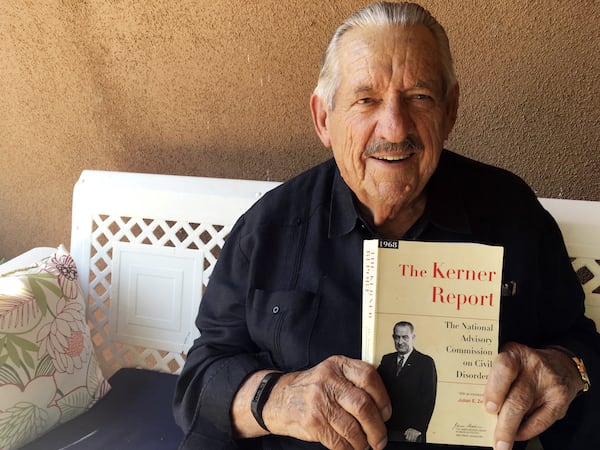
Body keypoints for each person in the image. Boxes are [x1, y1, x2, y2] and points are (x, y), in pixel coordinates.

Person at [174, 2, 599, 450]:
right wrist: (278, 398)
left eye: (419, 97)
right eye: (366, 99)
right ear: (324, 119)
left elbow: (579, 344)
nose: (395, 129)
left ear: (450, 110)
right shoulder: (270, 228)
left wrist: (566, 370)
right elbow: (201, 378)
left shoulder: (513, 214)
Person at [378, 322, 437, 443]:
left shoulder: (425, 362)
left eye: (405, 337)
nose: (400, 342)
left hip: (411, 433)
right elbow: (376, 388)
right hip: (386, 430)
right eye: (397, 337)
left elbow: (428, 399)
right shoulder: (386, 360)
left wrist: (418, 427)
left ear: (413, 338)